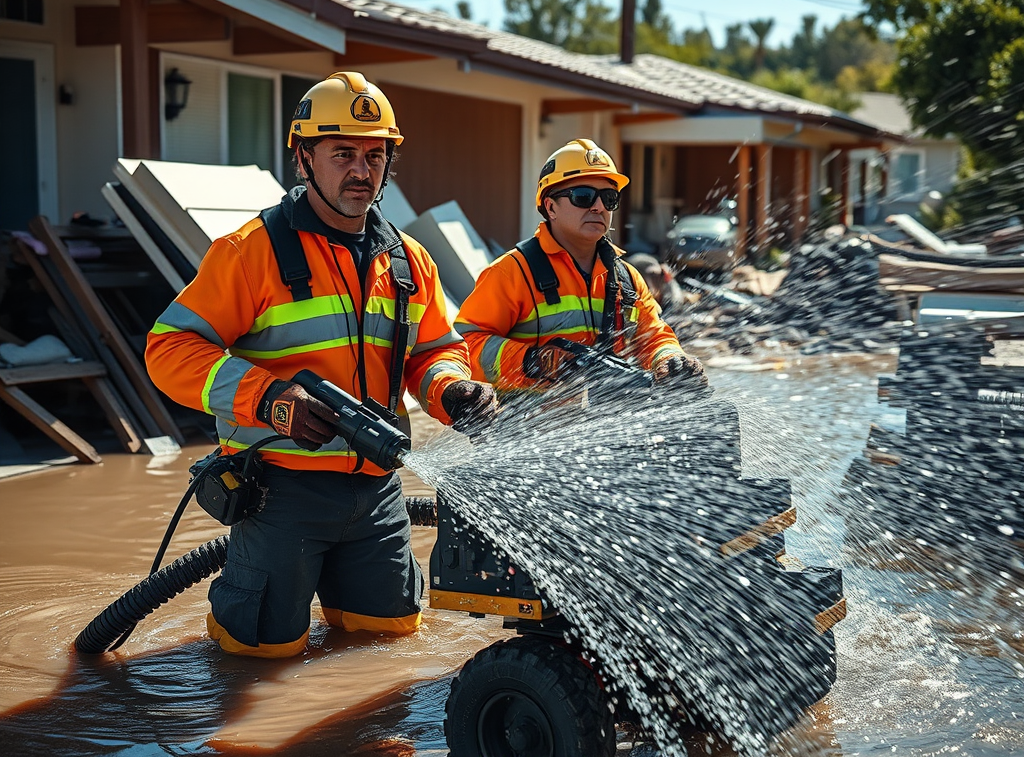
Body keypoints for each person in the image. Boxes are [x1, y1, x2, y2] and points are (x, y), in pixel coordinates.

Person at [145, 72, 496, 658]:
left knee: (386, 644)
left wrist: (453, 391)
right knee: (258, 657)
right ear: (304, 157)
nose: (362, 171)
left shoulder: (409, 261)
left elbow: (435, 351)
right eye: (343, 154)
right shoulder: (250, 253)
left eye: (375, 155)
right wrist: (269, 400)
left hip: (377, 492)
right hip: (282, 492)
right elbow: (169, 349)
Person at [454, 138, 706, 394]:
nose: (598, 207)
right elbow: (465, 346)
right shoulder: (512, 273)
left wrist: (671, 359)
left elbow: (653, 336)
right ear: (551, 207)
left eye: (609, 198)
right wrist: (532, 362)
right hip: (527, 428)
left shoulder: (625, 278)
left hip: (610, 427)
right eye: (583, 196)